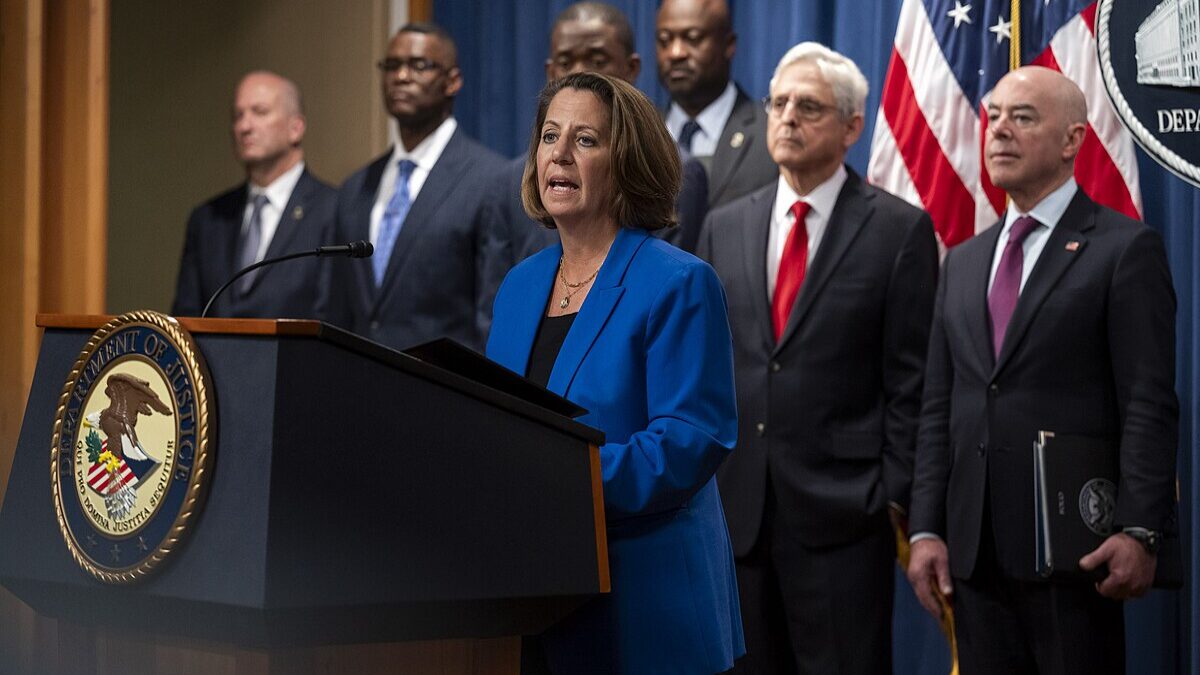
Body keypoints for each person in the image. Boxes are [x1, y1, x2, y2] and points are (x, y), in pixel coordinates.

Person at [907, 66, 1179, 675]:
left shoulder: (1123, 250)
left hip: (1075, 555)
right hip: (974, 559)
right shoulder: (965, 261)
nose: (999, 130)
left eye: (1022, 117)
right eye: (993, 116)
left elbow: (1149, 404)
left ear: (1072, 140)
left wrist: (1140, 528)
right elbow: (937, 408)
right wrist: (926, 528)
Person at [487, 72, 743, 674]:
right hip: (531, 599)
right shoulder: (521, 285)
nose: (559, 154)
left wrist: (560, 481)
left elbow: (690, 441)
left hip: (646, 604)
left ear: (626, 160)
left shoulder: (678, 281)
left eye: (585, 140)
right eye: (550, 136)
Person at [697, 42, 938, 674]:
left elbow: (912, 382)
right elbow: (708, 366)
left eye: (808, 107)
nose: (787, 118)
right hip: (739, 516)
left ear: (852, 127)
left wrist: (889, 492)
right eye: (778, 103)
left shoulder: (898, 230)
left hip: (843, 519)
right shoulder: (725, 224)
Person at [483, 0, 709, 283]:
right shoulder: (510, 184)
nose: (581, 73)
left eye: (597, 60)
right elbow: (491, 312)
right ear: (550, 72)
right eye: (566, 62)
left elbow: (669, 281)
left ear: (632, 68)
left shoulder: (678, 173)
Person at [324, 23, 505, 351]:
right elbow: (337, 309)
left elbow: (491, 315)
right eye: (392, 66)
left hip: (445, 392)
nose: (401, 76)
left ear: (453, 81)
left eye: (419, 65)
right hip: (356, 388)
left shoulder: (490, 179)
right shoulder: (355, 188)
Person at [172, 71, 336, 318]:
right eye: (238, 116)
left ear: (296, 128)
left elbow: (335, 319)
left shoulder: (334, 209)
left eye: (260, 112)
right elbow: (184, 322)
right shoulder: (208, 219)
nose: (244, 126)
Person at [656, 0, 776, 208]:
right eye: (664, 40)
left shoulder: (771, 132)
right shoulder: (637, 134)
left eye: (692, 38)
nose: (675, 53)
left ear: (729, 45)